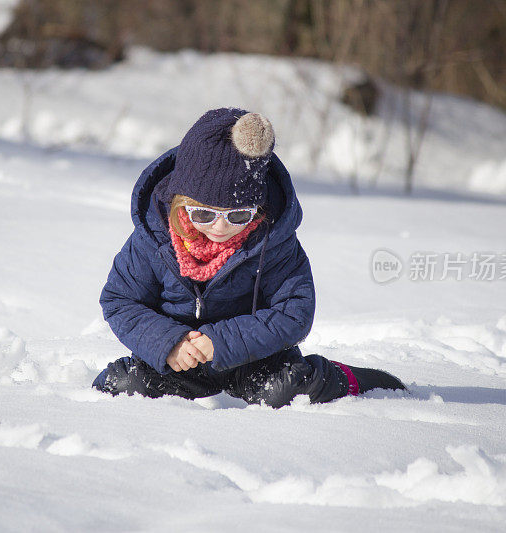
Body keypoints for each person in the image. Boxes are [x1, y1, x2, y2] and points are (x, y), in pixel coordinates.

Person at [92, 107, 405, 408]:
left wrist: (222, 342)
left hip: (253, 360)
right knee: (122, 386)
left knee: (286, 390)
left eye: (239, 214)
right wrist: (167, 343)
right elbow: (120, 300)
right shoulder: (154, 238)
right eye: (204, 214)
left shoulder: (272, 239)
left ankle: (344, 378)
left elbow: (295, 311)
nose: (221, 227)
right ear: (181, 202)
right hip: (179, 362)